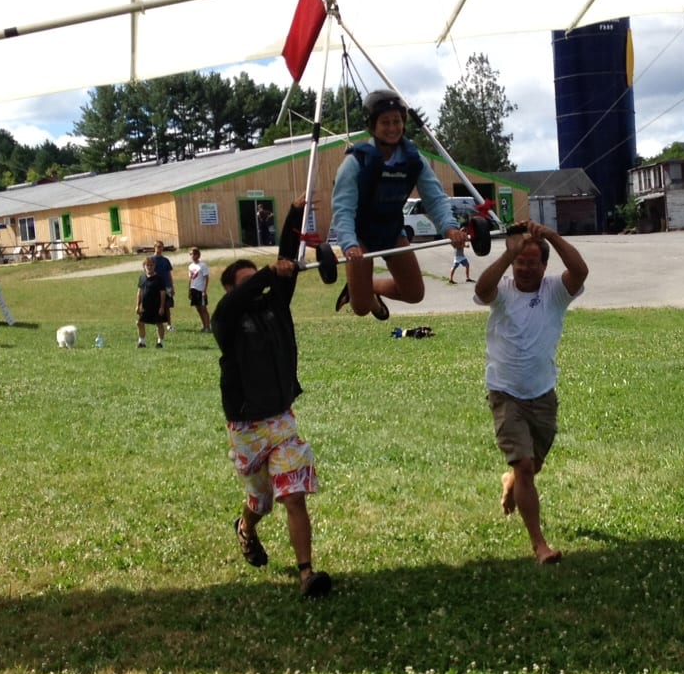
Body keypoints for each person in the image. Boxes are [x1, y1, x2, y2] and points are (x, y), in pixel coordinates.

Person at [211, 200, 332, 598]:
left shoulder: (275, 306)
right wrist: (264, 274)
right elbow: (241, 295)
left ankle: (307, 574)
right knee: (261, 501)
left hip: (281, 420)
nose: (260, 288)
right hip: (246, 427)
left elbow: (284, 261)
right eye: (249, 283)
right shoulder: (226, 319)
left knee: (293, 496)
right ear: (232, 289)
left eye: (261, 282)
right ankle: (246, 527)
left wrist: (296, 214)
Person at [473, 221, 589, 565]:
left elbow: (580, 270)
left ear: (544, 265)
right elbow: (481, 289)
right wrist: (507, 253)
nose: (525, 268)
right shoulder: (503, 289)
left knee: (531, 466)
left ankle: (511, 482)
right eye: (519, 262)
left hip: (542, 392)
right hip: (505, 391)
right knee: (525, 465)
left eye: (532, 262)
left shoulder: (555, 291)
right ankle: (540, 545)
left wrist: (551, 234)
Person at [330, 89, 469, 321]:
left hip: (391, 230)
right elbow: (343, 208)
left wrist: (450, 228)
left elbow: (434, 198)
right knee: (361, 307)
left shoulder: (414, 161)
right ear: (372, 126)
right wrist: (349, 244)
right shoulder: (355, 162)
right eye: (385, 122)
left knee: (414, 293)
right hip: (360, 235)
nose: (392, 128)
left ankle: (369, 286)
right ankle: (361, 293)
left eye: (397, 121)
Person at [136, 254, 168, 348]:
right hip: (145, 306)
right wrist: (138, 305)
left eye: (151, 265)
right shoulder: (142, 278)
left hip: (157, 305)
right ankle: (142, 342)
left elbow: (162, 293)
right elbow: (139, 292)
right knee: (139, 323)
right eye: (147, 265)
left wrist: (162, 307)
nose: (149, 267)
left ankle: (160, 342)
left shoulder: (159, 279)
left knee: (159, 324)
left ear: (154, 266)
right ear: (144, 266)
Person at [151, 242, 174, 332]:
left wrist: (172, 286)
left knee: (167, 306)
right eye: (158, 247)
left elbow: (169, 274)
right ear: (155, 247)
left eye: (161, 247)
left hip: (166, 286)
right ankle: (158, 323)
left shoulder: (166, 260)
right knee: (157, 306)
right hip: (156, 286)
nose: (160, 249)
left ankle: (169, 324)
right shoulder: (151, 260)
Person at [186, 247, 211, 331]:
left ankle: (208, 327)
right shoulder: (190, 266)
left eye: (193, 254)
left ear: (197, 255)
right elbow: (191, 279)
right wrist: (189, 290)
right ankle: (204, 326)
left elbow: (206, 278)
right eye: (190, 254)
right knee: (198, 309)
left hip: (201, 290)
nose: (191, 256)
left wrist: (204, 290)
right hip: (194, 289)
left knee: (203, 308)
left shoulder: (202, 265)